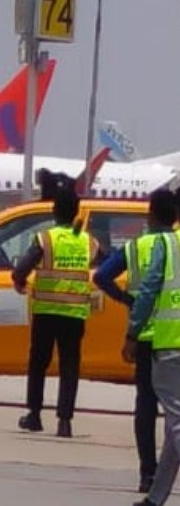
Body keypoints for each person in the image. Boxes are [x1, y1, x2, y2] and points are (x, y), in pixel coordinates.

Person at [95, 188, 178, 493]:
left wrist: (126, 301)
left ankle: (148, 474)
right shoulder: (177, 244)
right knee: (175, 412)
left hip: (148, 336)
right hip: (175, 335)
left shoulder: (136, 247)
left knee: (146, 405)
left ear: (150, 214)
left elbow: (101, 277)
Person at [11, 176, 104, 437]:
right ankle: (65, 421)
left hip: (46, 311)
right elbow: (105, 264)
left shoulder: (46, 239)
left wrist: (18, 280)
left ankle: (34, 415)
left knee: (38, 363)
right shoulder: (87, 241)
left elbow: (22, 267)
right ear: (76, 212)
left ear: (54, 211)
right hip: (74, 313)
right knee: (70, 366)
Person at [125, 205, 180, 506]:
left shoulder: (168, 244)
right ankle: (156, 498)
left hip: (171, 344)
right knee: (175, 425)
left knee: (177, 422)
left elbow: (148, 291)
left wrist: (133, 332)